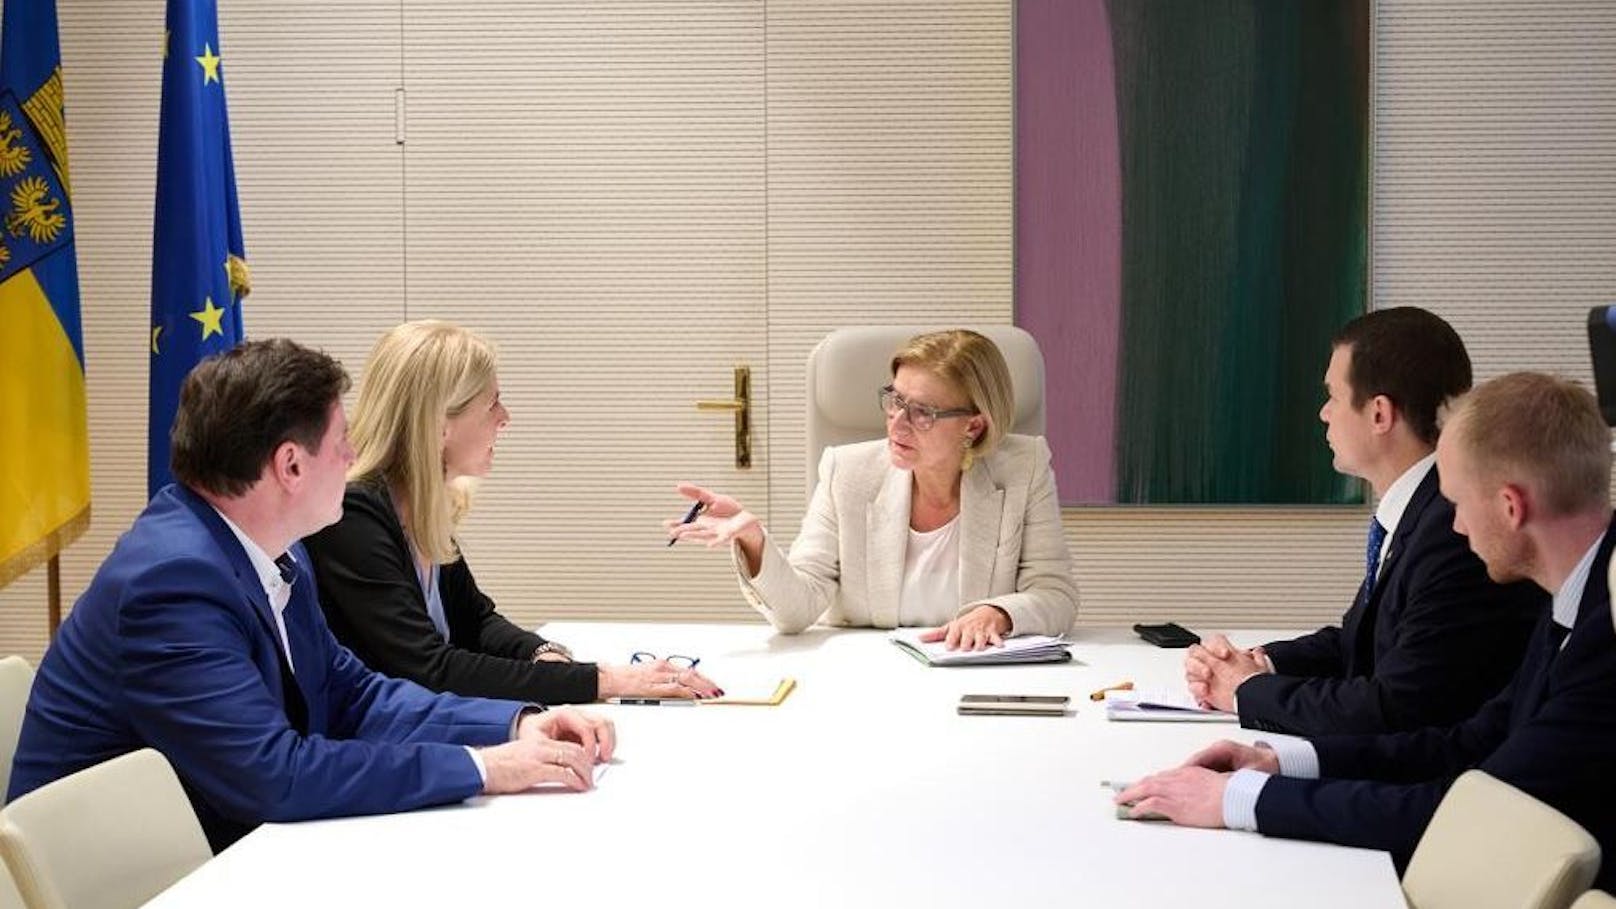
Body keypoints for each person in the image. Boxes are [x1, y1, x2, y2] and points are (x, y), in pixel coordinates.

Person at [7, 339, 616, 852]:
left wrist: (512, 725)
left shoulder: (276, 546)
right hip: (141, 875)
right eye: (343, 440)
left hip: (217, 838)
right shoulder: (172, 584)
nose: (354, 457)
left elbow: (351, 693)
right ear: (291, 466)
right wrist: (482, 767)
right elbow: (276, 776)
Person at [1119, 373, 1616, 889]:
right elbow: (1467, 743)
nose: (1458, 528)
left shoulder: (1606, 637)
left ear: (1511, 508)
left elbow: (1473, 813)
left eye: (1460, 504)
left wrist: (1239, 800)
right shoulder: (1578, 594)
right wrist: (1278, 763)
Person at [304, 320, 719, 703]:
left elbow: (476, 621)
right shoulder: (354, 515)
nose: (506, 418)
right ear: (438, 424)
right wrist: (602, 680)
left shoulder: (421, 503)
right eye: (493, 404)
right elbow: (429, 669)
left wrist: (541, 653)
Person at [1185, 307, 1541, 735]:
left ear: (1379, 414)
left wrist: (1248, 690)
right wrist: (1259, 663)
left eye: (1333, 396)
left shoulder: (1453, 529)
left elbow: (1395, 707)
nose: (1324, 413)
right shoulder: (1421, 509)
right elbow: (1362, 645)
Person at [667, 329, 1079, 648]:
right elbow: (797, 611)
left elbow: (1055, 594)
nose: (897, 422)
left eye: (922, 413)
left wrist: (999, 614)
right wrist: (754, 539)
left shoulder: (1025, 468)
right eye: (895, 400)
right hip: (868, 676)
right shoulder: (846, 472)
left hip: (976, 676)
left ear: (973, 425)